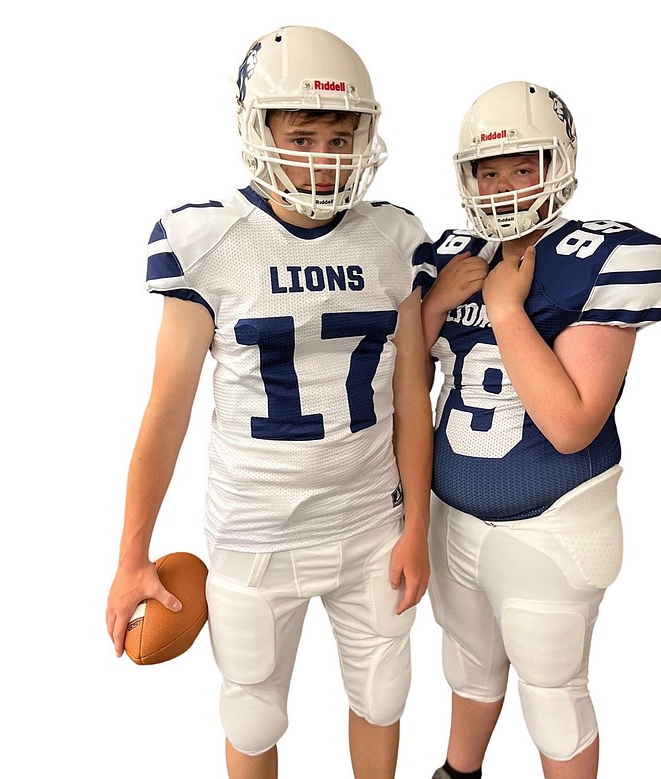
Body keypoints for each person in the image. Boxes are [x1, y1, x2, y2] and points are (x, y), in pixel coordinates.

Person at [104, 26, 433, 779]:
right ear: (259, 131)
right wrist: (130, 555)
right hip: (255, 531)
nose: (324, 157)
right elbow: (167, 412)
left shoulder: (394, 237)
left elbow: (413, 396)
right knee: (252, 709)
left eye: (339, 136)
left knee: (383, 696)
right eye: (304, 134)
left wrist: (417, 525)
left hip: (367, 524)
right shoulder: (208, 238)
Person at [413, 81, 661, 779]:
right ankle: (457, 773)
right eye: (487, 170)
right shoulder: (450, 254)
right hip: (454, 513)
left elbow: (570, 423)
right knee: (467, 660)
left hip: (551, 520)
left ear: (556, 164)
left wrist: (504, 308)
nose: (502, 185)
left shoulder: (606, 256)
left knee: (552, 685)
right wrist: (437, 301)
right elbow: (402, 373)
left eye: (521, 166)